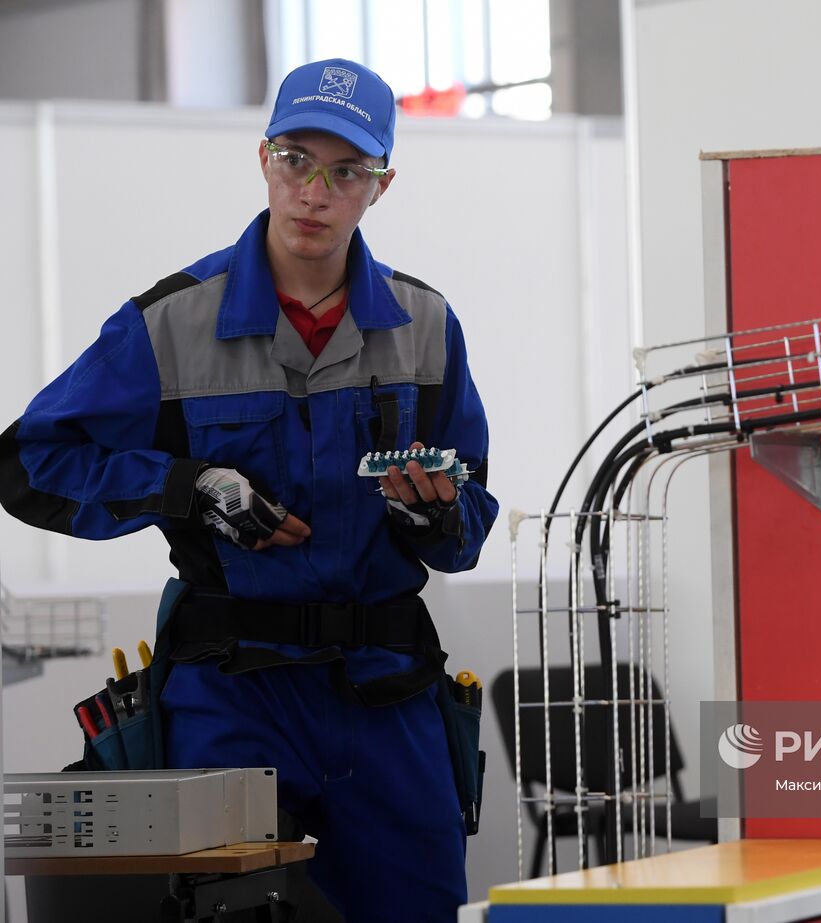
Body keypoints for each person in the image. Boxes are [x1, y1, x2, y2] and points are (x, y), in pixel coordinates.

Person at [0, 58, 498, 921]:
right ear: (263, 158)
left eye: (347, 171)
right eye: (297, 160)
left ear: (381, 186)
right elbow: (29, 463)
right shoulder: (169, 323)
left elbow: (471, 518)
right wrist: (188, 486)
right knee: (220, 909)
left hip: (385, 692)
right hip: (232, 694)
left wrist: (438, 512)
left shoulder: (426, 329)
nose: (316, 191)